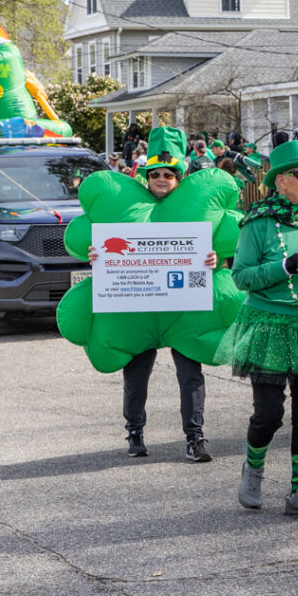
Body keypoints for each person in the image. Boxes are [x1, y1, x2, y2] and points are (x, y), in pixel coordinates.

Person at [216, 140, 298, 517]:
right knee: (269, 414)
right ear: (280, 181)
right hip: (268, 325)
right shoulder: (258, 222)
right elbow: (241, 276)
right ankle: (253, 470)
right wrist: (285, 266)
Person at [87, 127, 217, 462]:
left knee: (191, 375)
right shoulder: (129, 208)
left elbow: (220, 241)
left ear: (179, 178)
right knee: (136, 376)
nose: (161, 179)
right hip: (139, 305)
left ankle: (195, 438)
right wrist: (98, 256)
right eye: (155, 174)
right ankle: (135, 432)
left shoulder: (194, 209)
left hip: (182, 307)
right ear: (146, 177)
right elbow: (109, 244)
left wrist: (213, 259)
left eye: (168, 174)